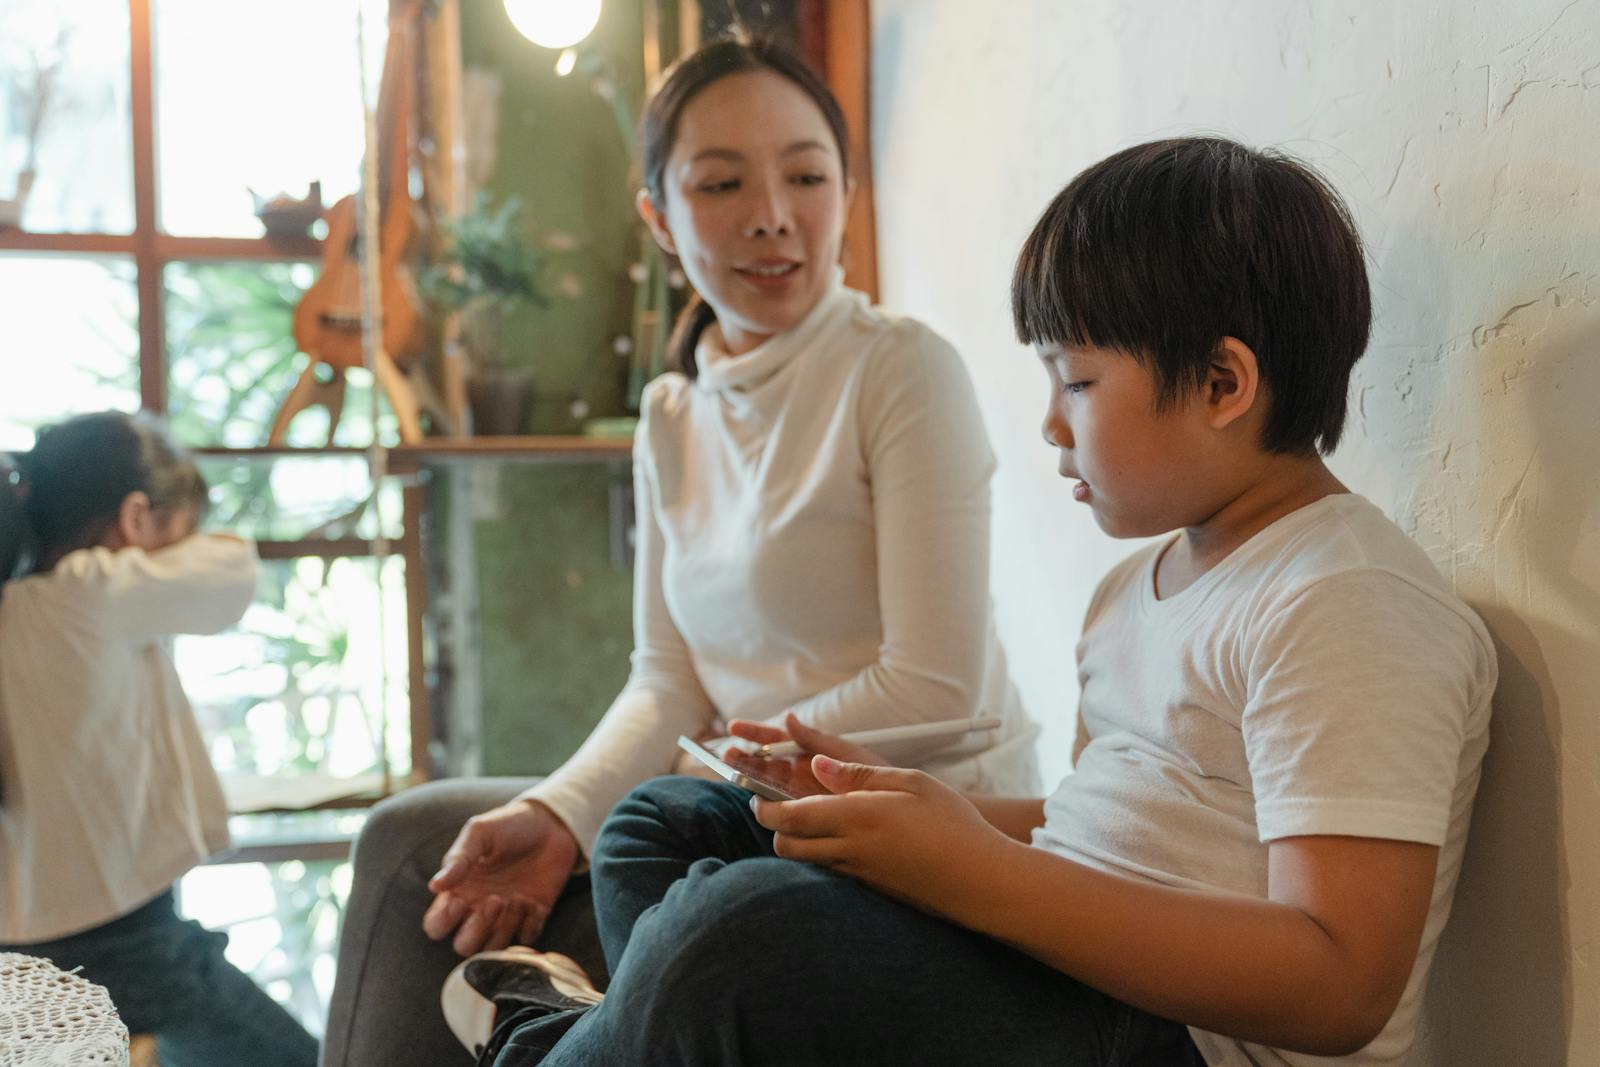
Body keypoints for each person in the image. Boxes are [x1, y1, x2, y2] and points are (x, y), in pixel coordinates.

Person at [459, 137, 1499, 1067]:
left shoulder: (1344, 599)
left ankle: (558, 1040)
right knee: (668, 825)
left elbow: (1338, 982)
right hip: (1064, 961)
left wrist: (976, 876)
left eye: (1077, 381)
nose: (1050, 424)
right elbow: (1104, 820)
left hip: (1174, 1035)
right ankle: (611, 1029)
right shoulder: (1136, 587)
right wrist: (910, 806)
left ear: (1223, 384)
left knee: (738, 930)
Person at [321, 34, 1040, 1066]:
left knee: (673, 867)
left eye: (806, 174)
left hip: (901, 828)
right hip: (730, 810)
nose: (771, 214)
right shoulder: (671, 414)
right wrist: (557, 810)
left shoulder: (899, 371)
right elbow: (663, 678)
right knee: (409, 837)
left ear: (846, 189)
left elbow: (932, 686)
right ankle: (582, 1018)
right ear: (657, 215)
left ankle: (557, 1032)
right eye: (720, 182)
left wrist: (712, 766)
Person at [0, 411, 319, 1067]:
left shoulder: (16, 603)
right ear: (136, 515)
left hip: (29, 937)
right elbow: (233, 571)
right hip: (120, 934)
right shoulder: (91, 589)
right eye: (173, 535)